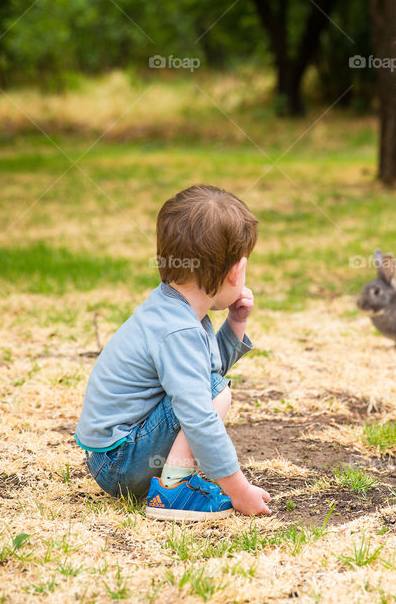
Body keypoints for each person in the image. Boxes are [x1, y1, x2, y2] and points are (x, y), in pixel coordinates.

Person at [74, 184, 270, 520]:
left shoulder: (176, 308)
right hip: (120, 463)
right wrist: (238, 490)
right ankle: (173, 491)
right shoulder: (179, 329)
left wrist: (235, 324)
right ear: (236, 271)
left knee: (209, 386)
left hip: (112, 456)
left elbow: (206, 367)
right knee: (214, 394)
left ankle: (172, 482)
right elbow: (198, 411)